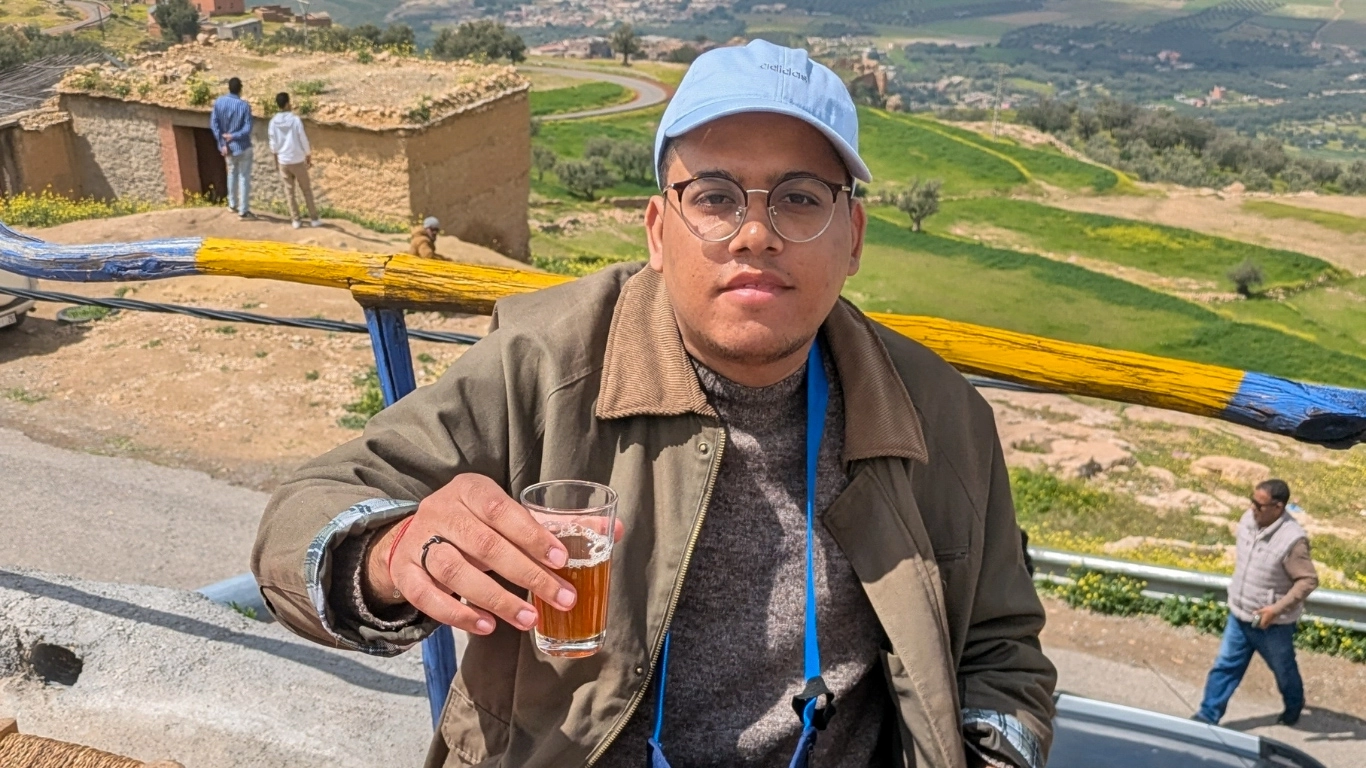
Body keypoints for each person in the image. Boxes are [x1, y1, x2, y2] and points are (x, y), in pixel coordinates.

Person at [253, 40, 1055, 768]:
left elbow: (1001, 647)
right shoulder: (547, 366)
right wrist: (393, 551)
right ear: (655, 229)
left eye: (802, 198)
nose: (755, 234)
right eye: (714, 196)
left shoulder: (940, 416)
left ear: (853, 238)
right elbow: (304, 513)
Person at [1194, 479, 1317, 727]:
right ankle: (1207, 717)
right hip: (1240, 614)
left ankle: (1294, 705)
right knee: (1225, 667)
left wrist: (1275, 609)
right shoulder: (1248, 520)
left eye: (1259, 505)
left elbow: (1308, 580)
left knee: (1284, 671)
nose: (1253, 509)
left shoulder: (1293, 541)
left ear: (1278, 507)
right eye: (1252, 502)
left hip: (1273, 624)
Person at [268, 92, 322, 229]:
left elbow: (273, 144)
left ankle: (296, 220)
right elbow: (302, 138)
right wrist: (308, 154)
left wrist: (276, 160)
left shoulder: (273, 122)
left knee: (289, 192)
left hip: (283, 161)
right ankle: (314, 219)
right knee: (306, 190)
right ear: (287, 104)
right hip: (297, 160)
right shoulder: (295, 120)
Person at [209, 77, 254, 220]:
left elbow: (214, 124)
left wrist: (222, 143)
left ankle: (232, 204)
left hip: (227, 148)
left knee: (232, 174)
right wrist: (233, 135)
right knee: (243, 177)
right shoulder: (244, 106)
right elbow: (247, 128)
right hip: (242, 146)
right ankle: (244, 211)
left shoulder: (219, 102)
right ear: (240, 89)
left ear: (228, 87)